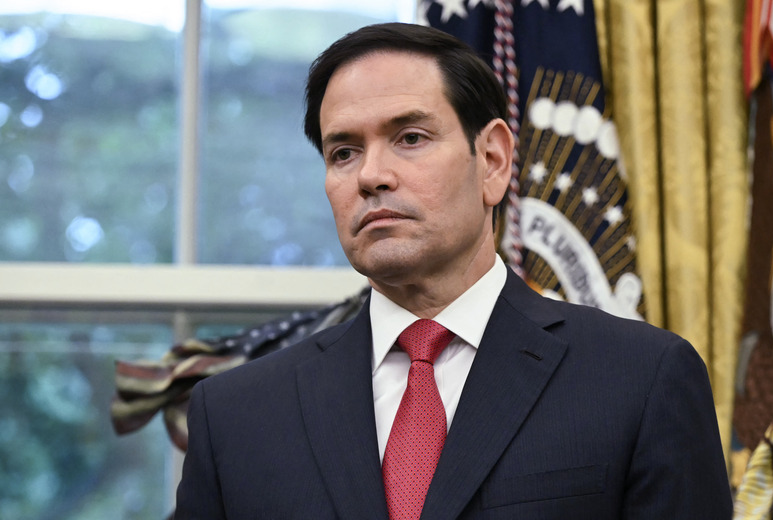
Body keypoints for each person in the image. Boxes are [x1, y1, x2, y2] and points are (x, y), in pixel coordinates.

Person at [174, 22, 732, 519]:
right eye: (342, 152)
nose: (371, 175)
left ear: (491, 160)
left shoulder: (641, 379)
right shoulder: (235, 416)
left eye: (409, 138)